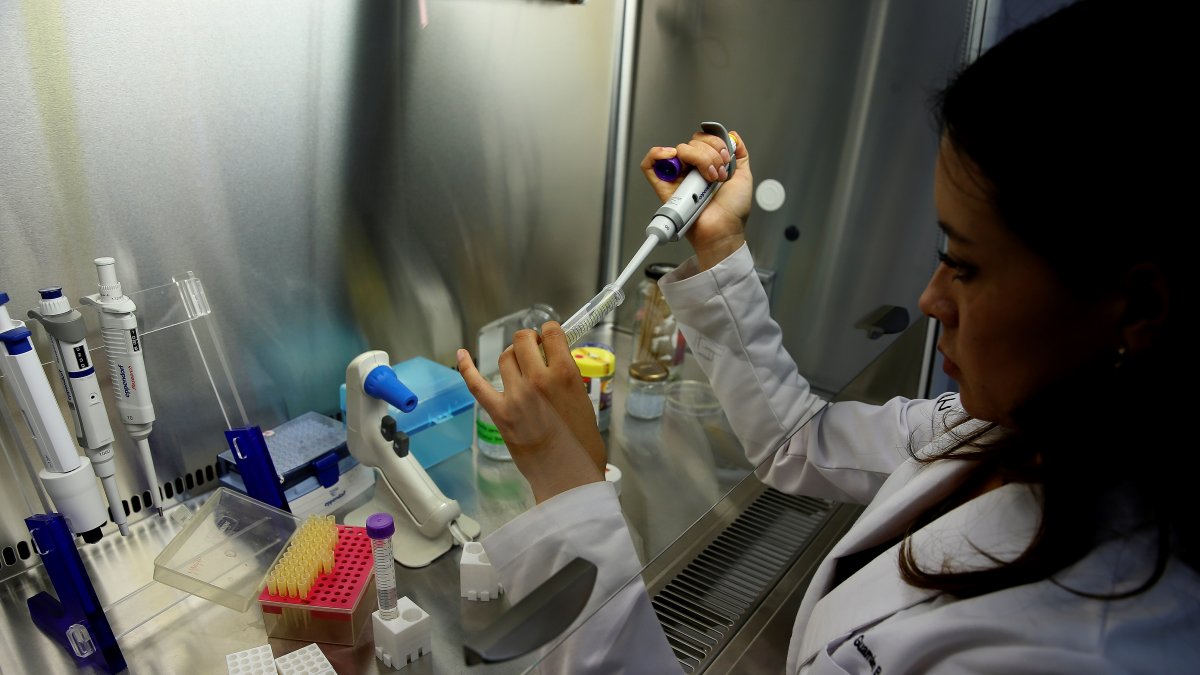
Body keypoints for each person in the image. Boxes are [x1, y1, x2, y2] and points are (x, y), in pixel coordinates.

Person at [456, 0, 1198, 671]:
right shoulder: (1001, 433)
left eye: (965, 266)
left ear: (1134, 305)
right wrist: (717, 245)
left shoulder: (1079, 653)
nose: (931, 296)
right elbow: (800, 441)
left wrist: (568, 489)